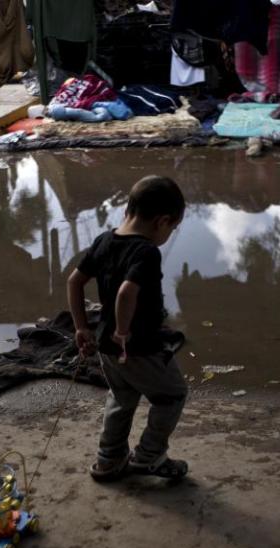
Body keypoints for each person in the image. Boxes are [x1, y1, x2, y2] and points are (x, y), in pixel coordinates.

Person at [67, 175, 189, 482]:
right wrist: (124, 332)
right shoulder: (147, 252)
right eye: (172, 229)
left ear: (128, 210)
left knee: (121, 397)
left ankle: (109, 459)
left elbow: (74, 281)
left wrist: (81, 328)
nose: (168, 235)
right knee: (172, 395)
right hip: (138, 346)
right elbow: (126, 293)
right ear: (162, 221)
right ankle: (149, 456)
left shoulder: (104, 240)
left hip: (105, 343)